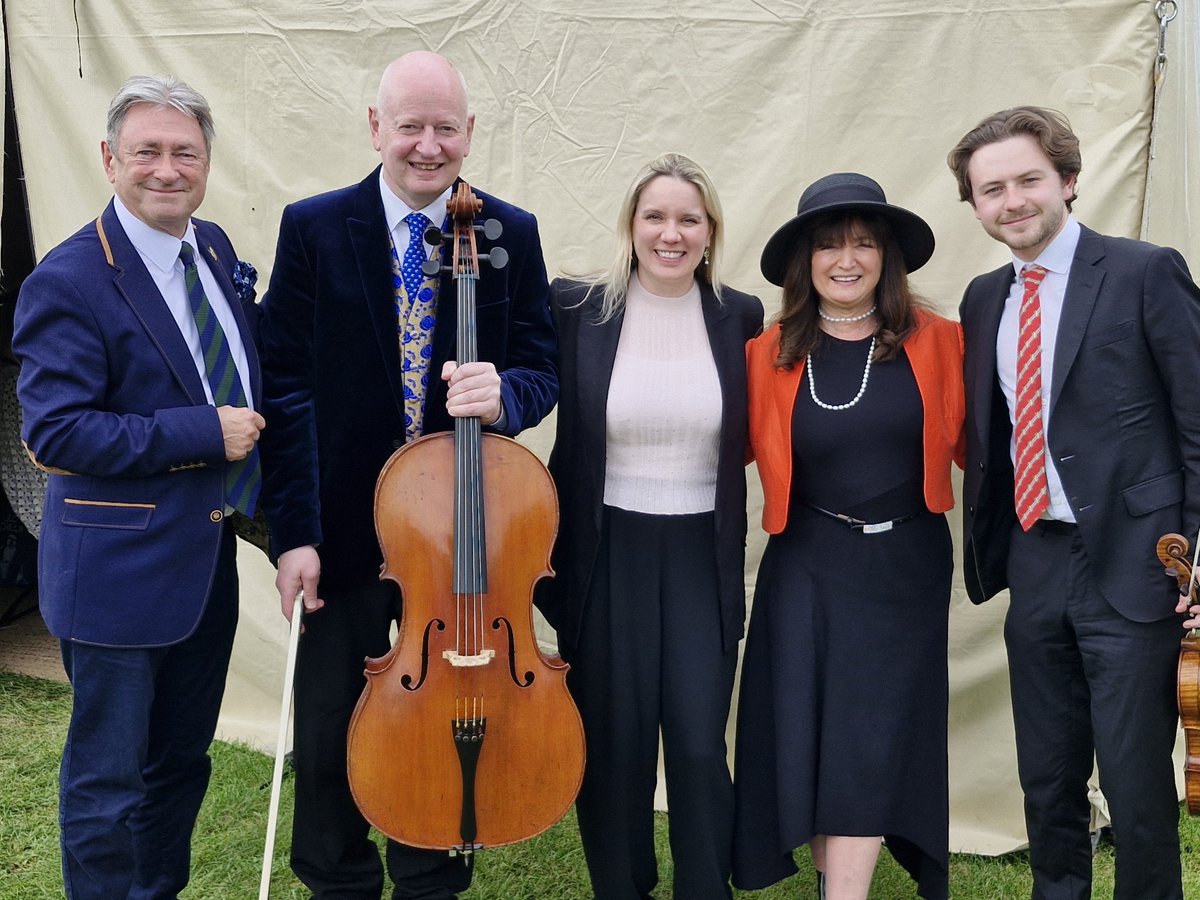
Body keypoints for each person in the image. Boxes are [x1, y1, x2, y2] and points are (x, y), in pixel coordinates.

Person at [257, 51, 557, 899]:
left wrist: (506, 395)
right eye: (412, 126)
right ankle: (336, 876)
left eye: (446, 128)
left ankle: (431, 871)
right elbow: (285, 383)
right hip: (346, 529)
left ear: (469, 132)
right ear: (376, 126)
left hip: (460, 540)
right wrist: (296, 534)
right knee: (326, 733)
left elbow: (541, 367)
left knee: (440, 719)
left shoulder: (509, 232)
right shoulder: (314, 227)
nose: (429, 146)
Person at [11, 75, 263, 898]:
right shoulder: (69, 279)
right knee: (107, 786)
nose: (167, 168)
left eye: (183, 151)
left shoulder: (215, 248)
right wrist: (203, 432)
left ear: (207, 159)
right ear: (109, 159)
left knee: (179, 767)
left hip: (203, 565)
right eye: (146, 151)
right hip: (114, 578)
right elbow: (56, 431)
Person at [948, 105, 1200, 900]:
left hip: (1137, 561)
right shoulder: (984, 297)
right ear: (975, 205)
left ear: (1067, 180)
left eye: (1027, 180)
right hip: (1037, 557)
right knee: (1047, 777)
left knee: (1133, 784)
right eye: (991, 189)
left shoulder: (1143, 270)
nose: (1012, 201)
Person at [534, 152, 762, 899]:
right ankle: (622, 887)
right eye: (655, 217)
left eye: (688, 219)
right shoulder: (577, 308)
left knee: (698, 744)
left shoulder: (741, 315)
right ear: (631, 226)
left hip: (701, 549)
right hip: (605, 553)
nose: (671, 233)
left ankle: (705, 887)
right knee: (614, 745)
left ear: (710, 231)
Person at [732, 173, 964, 900]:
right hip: (804, 565)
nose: (845, 259)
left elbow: (1001, 446)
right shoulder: (764, 354)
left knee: (867, 742)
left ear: (887, 257)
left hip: (905, 569)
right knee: (818, 739)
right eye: (828, 244)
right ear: (805, 260)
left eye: (864, 243)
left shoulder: (945, 343)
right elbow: (704, 451)